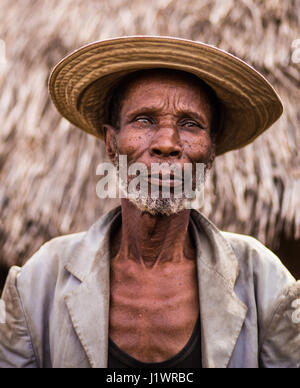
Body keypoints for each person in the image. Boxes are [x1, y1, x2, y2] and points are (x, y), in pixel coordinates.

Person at [0, 36, 299, 368]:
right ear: (111, 144)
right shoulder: (37, 283)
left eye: (190, 124)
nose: (167, 143)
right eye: (144, 120)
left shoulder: (265, 282)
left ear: (210, 150)